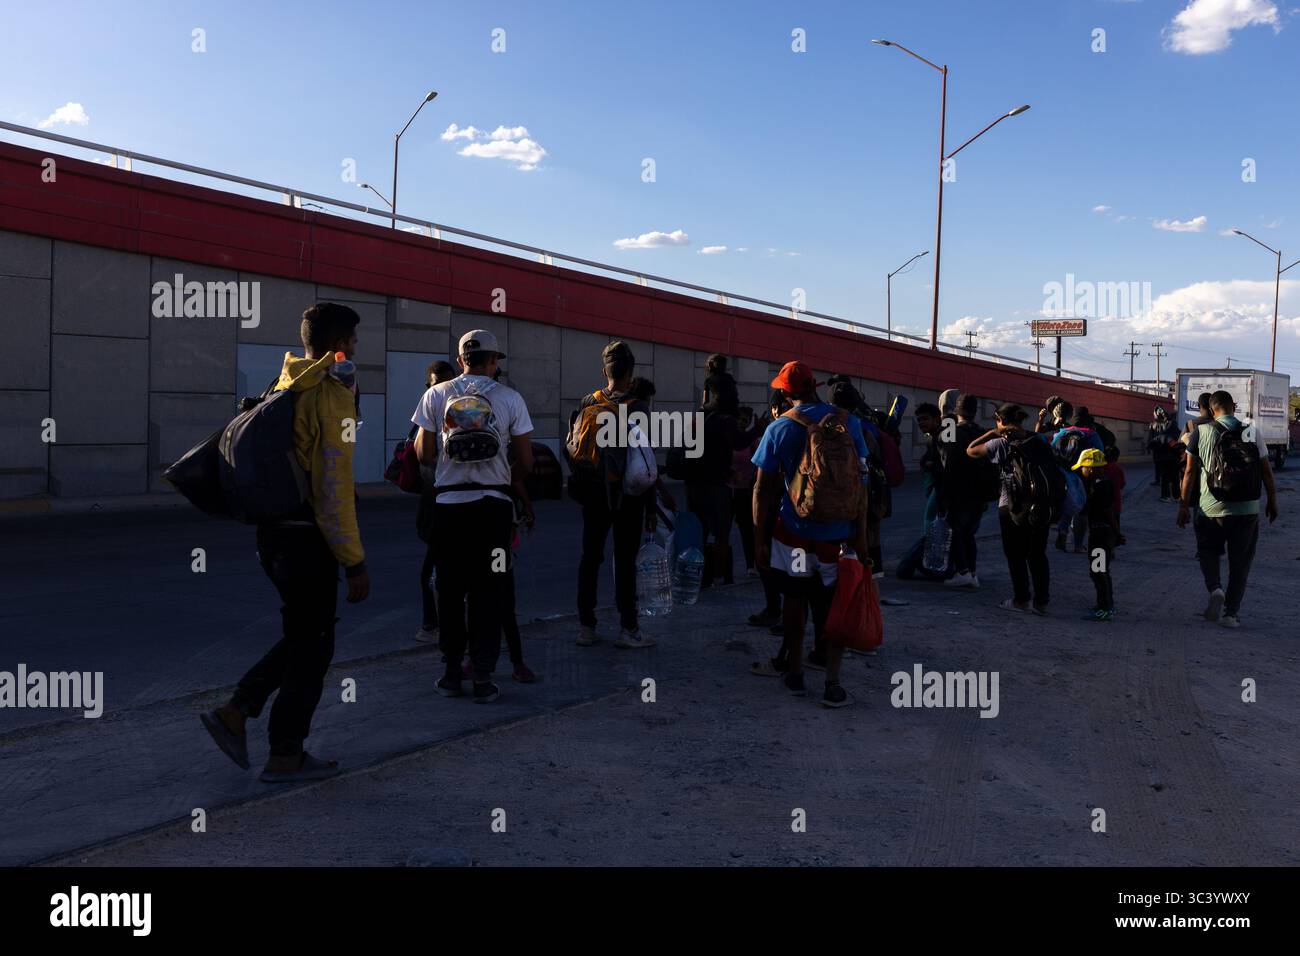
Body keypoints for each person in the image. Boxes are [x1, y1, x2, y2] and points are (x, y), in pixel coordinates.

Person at [200, 303, 370, 783]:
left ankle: (245, 714)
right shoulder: (327, 396)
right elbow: (333, 487)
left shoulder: (284, 384)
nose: (357, 348)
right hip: (307, 541)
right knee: (313, 646)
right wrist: (353, 561)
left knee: (305, 638)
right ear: (341, 343)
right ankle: (280, 749)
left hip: (272, 537)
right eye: (354, 340)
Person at [413, 329, 534, 703]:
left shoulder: (436, 395)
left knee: (450, 591)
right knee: (491, 588)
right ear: (493, 361)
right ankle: (482, 677)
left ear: (461, 358)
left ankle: (451, 674)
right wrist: (499, 477)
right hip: (494, 514)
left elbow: (422, 455)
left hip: (449, 510)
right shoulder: (510, 398)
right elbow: (526, 461)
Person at [751, 361, 869, 708]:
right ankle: (832, 683)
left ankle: (796, 674)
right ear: (815, 386)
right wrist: (860, 537)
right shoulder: (849, 423)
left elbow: (762, 490)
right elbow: (862, 483)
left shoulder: (780, 428)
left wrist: (759, 539)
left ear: (786, 392)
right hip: (838, 537)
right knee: (834, 605)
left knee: (795, 599)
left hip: (794, 535)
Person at [569, 341, 657, 649]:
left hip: (593, 496)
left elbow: (573, 448)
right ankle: (628, 628)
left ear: (604, 370)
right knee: (625, 560)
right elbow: (644, 463)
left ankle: (586, 627)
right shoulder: (638, 407)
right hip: (627, 498)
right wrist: (652, 509)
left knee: (590, 558)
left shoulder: (586, 401)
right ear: (630, 373)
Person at [1177, 390, 1278, 628]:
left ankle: (1215, 588)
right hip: (1247, 509)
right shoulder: (1252, 431)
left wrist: (1183, 505)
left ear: (1212, 410)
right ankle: (1231, 614)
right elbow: (1266, 471)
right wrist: (1272, 500)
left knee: (1208, 551)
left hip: (1211, 508)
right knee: (1240, 562)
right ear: (1234, 406)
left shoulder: (1200, 432)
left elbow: (1190, 472)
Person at [967, 403, 1051, 615]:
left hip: (1011, 507)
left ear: (1001, 421)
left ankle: (1021, 599)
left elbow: (970, 451)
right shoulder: (1039, 439)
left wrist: (992, 432)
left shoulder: (999, 443)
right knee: (1038, 554)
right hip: (1040, 504)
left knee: (1015, 555)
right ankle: (1041, 603)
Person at [689, 375, 755, 588]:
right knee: (720, 533)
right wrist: (758, 428)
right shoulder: (725, 420)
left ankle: (698, 576)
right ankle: (718, 577)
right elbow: (738, 442)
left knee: (700, 531)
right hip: (716, 484)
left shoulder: (700, 416)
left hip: (694, 483)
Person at [414, 360, 461, 644]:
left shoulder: (463, 413)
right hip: (435, 503)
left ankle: (439, 626)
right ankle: (435, 625)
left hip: (453, 501)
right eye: (436, 384)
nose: (441, 389)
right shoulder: (428, 413)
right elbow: (422, 459)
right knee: (434, 568)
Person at [747, 390, 791, 629]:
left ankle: (782, 614)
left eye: (781, 405)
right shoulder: (807, 428)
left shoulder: (776, 431)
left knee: (770, 560)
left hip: (779, 509)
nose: (777, 411)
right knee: (782, 566)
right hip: (791, 511)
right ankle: (778, 611)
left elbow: (762, 486)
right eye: (776, 406)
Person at [942, 393, 991, 589]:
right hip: (979, 491)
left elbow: (946, 461)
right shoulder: (981, 431)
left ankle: (962, 572)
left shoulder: (952, 429)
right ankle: (972, 572)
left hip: (959, 490)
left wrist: (944, 493)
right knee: (969, 534)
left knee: (954, 531)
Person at [895, 402, 946, 580]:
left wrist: (931, 464)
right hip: (934, 486)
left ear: (937, 418)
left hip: (942, 489)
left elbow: (948, 461)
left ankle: (935, 565)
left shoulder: (946, 431)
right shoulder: (931, 436)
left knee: (931, 525)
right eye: (919, 420)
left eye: (925, 419)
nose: (921, 423)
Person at [1074, 448, 1120, 622]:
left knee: (1098, 570)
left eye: (1083, 468)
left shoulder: (1100, 486)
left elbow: (1108, 511)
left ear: (1091, 468)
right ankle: (1106, 604)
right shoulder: (1101, 483)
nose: (1081, 471)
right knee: (1100, 570)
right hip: (1102, 533)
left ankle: (1105, 608)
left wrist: (1117, 533)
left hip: (1100, 535)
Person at [729, 406, 761, 581]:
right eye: (740, 419)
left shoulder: (752, 441)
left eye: (745, 420)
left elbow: (759, 463)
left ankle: (751, 566)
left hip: (745, 491)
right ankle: (722, 572)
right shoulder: (729, 439)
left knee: (746, 530)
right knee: (722, 530)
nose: (742, 423)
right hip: (727, 489)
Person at [1147, 406, 1181, 502]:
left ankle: (1166, 496)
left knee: (1165, 478)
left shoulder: (1158, 429)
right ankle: (1176, 496)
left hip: (1163, 457)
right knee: (1175, 478)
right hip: (1173, 457)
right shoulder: (1175, 428)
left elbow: (1152, 441)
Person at [1103, 445, 1127, 545]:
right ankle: (1114, 542)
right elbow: (1122, 484)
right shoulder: (1118, 468)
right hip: (1115, 501)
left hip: (1103, 501)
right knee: (1115, 523)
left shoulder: (1101, 468)